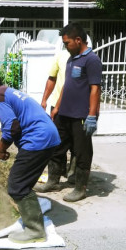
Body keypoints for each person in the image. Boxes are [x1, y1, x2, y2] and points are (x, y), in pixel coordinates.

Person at [0, 72, 60, 244]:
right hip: (48, 136)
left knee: (17, 185)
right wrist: (3, 151)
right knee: (24, 181)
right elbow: (19, 125)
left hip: (39, 138)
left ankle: (35, 231)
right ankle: (32, 221)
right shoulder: (8, 91)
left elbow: (11, 127)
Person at [51, 23, 102, 202]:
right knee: (56, 147)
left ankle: (80, 189)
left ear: (78, 40)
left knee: (81, 152)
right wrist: (57, 107)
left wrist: (92, 116)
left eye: (67, 42)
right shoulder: (72, 58)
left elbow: (95, 89)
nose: (65, 46)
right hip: (64, 113)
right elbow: (67, 85)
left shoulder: (92, 60)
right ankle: (53, 181)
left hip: (81, 115)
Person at [34, 50, 76, 193]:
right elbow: (52, 78)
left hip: (78, 107)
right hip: (58, 108)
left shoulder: (87, 58)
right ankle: (53, 180)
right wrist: (44, 100)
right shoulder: (61, 55)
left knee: (77, 145)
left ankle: (73, 176)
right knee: (57, 143)